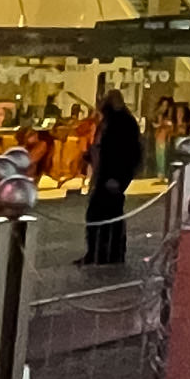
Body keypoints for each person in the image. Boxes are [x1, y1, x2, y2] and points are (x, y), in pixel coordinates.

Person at [81, 87, 143, 265]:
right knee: (100, 215)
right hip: (105, 174)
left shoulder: (122, 123)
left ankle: (108, 253)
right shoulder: (111, 121)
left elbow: (125, 153)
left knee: (106, 215)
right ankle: (99, 252)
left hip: (112, 177)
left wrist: (118, 177)